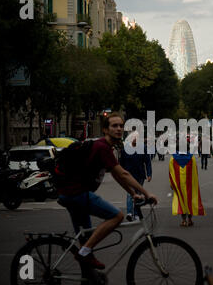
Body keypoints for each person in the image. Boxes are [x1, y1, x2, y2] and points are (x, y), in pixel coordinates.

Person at [56, 112, 158, 269]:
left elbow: (118, 177)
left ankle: (89, 274)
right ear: (105, 129)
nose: (119, 129)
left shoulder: (104, 147)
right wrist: (146, 193)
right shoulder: (102, 147)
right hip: (77, 194)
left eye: (121, 126)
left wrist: (133, 194)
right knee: (117, 216)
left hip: (70, 194)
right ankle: (83, 253)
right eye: (114, 126)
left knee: (86, 238)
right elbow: (123, 173)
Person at [169, 144, 205, 227]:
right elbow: (195, 172)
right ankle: (190, 220)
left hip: (179, 184)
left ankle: (184, 221)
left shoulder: (173, 158)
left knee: (181, 201)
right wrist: (195, 183)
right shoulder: (191, 158)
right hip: (189, 184)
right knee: (189, 200)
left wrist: (171, 184)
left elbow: (171, 173)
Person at [120, 132, 152, 222]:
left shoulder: (143, 148)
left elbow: (147, 162)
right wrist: (121, 174)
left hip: (140, 175)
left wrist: (149, 174)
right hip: (128, 176)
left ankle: (137, 213)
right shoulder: (125, 149)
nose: (136, 139)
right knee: (130, 194)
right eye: (134, 137)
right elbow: (121, 163)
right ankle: (130, 213)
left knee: (138, 194)